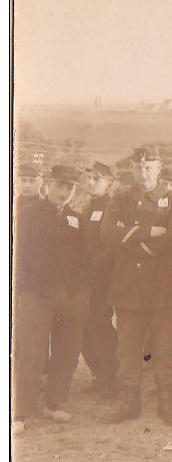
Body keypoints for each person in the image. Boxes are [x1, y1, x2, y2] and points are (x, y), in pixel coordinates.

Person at [100, 146, 172, 425]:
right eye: (138, 169)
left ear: (159, 170)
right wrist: (150, 232)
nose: (143, 174)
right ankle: (129, 402)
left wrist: (135, 246)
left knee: (165, 348)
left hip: (163, 286)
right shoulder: (119, 199)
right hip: (128, 287)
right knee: (128, 349)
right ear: (132, 170)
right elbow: (107, 233)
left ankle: (168, 403)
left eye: (148, 168)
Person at [13, 165, 90, 431]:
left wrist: (79, 291)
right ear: (47, 185)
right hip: (36, 294)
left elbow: (83, 257)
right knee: (31, 352)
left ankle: (53, 403)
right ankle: (20, 411)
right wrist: (22, 290)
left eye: (69, 188)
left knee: (66, 352)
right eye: (59, 186)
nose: (63, 192)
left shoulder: (76, 218)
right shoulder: (26, 215)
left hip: (69, 296)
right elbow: (16, 256)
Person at [79, 162, 119, 397]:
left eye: (98, 179)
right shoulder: (86, 207)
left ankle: (113, 375)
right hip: (84, 278)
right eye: (90, 178)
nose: (91, 183)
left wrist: (94, 268)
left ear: (109, 182)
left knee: (99, 324)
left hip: (103, 278)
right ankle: (98, 373)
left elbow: (113, 245)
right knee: (82, 325)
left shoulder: (112, 207)